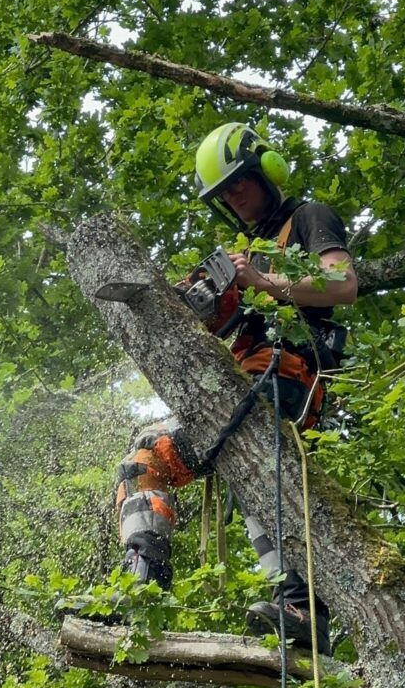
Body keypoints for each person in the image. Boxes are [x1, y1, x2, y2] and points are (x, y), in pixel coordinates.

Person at [115, 122, 357, 654]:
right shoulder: (247, 250)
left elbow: (342, 283)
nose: (233, 197)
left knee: (143, 458)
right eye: (223, 193)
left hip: (287, 377)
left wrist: (263, 282)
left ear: (265, 173)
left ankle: (142, 586)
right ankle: (301, 613)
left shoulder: (308, 219)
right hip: (251, 380)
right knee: (256, 488)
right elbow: (223, 326)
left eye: (239, 183)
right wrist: (203, 302)